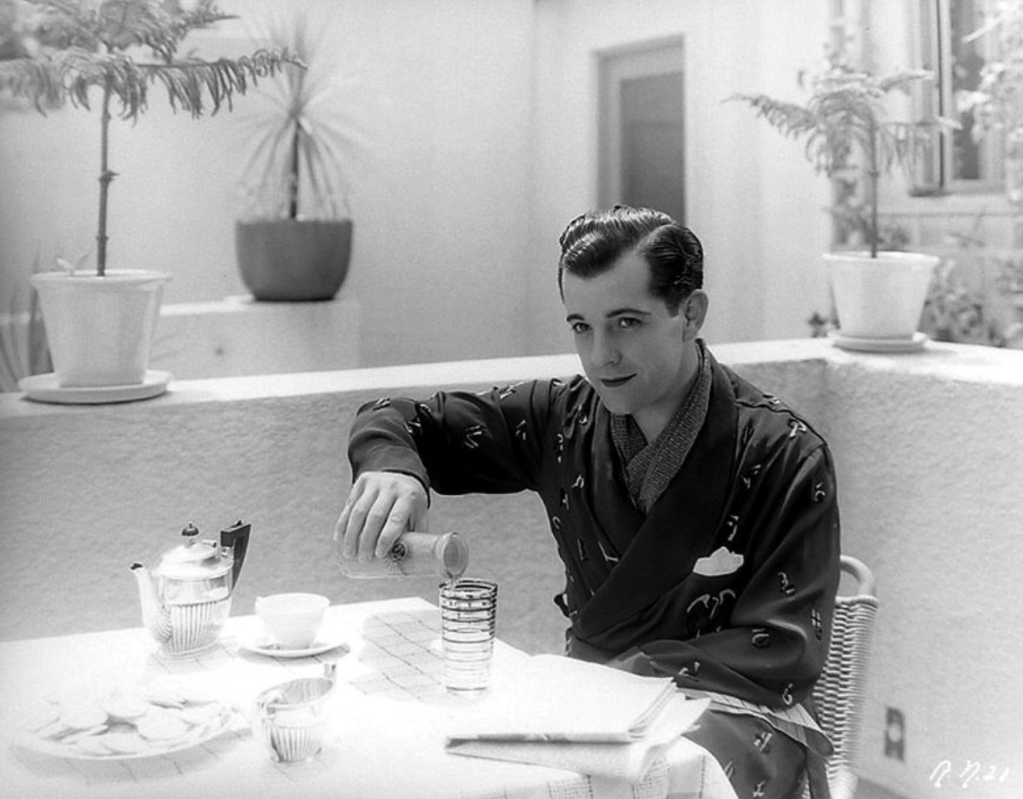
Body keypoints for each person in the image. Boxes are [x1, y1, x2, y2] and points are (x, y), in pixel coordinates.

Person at [335, 205, 841, 799]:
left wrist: (616, 678)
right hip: (587, 706)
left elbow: (785, 645)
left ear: (690, 314)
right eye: (582, 327)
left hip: (730, 714)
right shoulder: (560, 419)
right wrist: (394, 469)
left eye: (626, 323)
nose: (601, 355)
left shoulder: (783, 451)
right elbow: (398, 418)